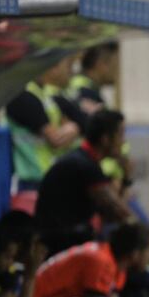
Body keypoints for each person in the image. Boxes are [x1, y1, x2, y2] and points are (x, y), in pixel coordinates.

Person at [35, 108, 134, 255]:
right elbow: (119, 214)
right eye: (120, 135)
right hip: (59, 247)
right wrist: (127, 177)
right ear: (105, 139)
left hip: (66, 242)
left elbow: (110, 216)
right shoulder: (85, 166)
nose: (124, 141)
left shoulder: (85, 160)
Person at [5, 55, 85, 213]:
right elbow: (56, 139)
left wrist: (73, 128)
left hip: (48, 175)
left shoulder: (45, 95)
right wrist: (71, 130)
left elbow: (81, 120)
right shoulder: (23, 96)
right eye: (66, 65)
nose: (69, 71)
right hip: (30, 178)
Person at [68, 42, 119, 114]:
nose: (117, 72)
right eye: (115, 66)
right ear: (102, 65)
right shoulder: (87, 93)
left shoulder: (78, 85)